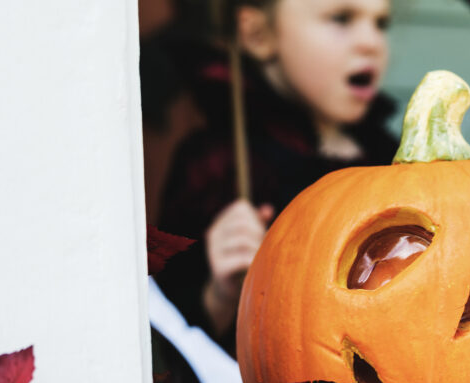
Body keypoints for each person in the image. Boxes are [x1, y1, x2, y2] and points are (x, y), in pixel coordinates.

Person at [155, 0, 396, 355]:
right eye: (341, 18)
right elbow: (171, 328)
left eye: (380, 23)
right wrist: (221, 292)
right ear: (257, 34)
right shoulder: (223, 163)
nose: (371, 42)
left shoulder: (388, 153)